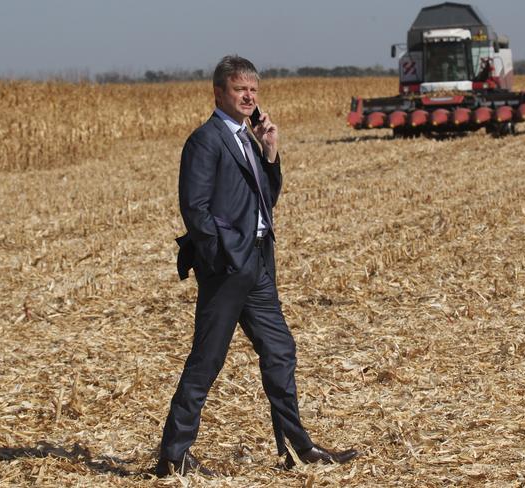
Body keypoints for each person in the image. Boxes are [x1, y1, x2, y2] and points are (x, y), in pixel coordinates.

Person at [155, 55, 359, 478]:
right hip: (230, 268)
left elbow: (266, 197)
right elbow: (194, 209)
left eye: (253, 90)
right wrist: (227, 256)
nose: (248, 96)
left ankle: (296, 450)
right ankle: (173, 456)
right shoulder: (205, 140)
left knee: (280, 351)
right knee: (207, 360)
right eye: (239, 89)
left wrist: (270, 152)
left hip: (260, 265)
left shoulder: (248, 138)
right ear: (219, 93)